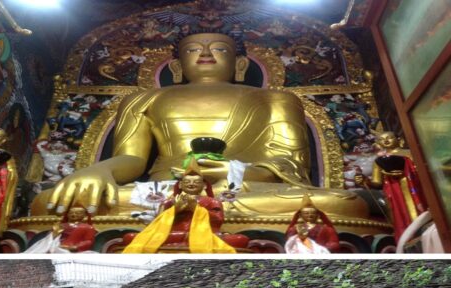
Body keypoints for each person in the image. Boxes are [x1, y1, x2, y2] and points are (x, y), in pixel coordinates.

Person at [31, 31, 368, 222]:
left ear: (239, 64)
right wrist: (99, 171)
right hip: (160, 192)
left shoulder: (277, 99)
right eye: (194, 49)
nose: (206, 53)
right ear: (177, 66)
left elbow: (287, 164)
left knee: (346, 203)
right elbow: (133, 160)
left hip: (241, 191)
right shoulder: (143, 99)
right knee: (48, 202)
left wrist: (233, 172)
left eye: (219, 48)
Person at [123, 164, 244, 253]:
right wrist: (175, 210)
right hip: (174, 234)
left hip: (207, 234)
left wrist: (195, 208)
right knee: (131, 237)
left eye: (196, 182)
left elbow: (218, 220)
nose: (191, 184)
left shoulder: (212, 201)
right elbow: (157, 222)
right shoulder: (170, 201)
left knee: (239, 239)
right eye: (187, 181)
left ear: (204, 185)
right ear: (180, 184)